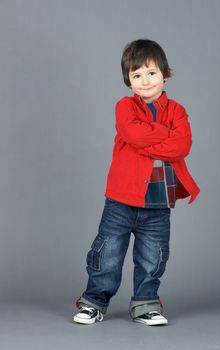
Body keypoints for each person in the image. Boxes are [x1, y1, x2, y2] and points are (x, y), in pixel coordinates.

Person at [73, 38, 200, 326]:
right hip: (121, 198)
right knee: (108, 253)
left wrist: (147, 139)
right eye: (136, 75)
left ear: (165, 74)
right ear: (128, 80)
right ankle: (94, 302)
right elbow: (133, 135)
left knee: (153, 257)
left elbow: (181, 146)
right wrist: (161, 135)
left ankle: (145, 304)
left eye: (151, 73)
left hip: (158, 200)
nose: (145, 81)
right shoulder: (124, 107)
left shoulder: (177, 111)